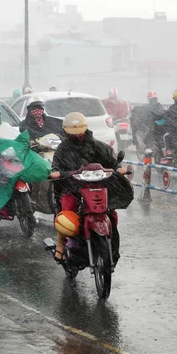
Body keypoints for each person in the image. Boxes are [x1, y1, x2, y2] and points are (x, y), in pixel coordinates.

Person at [50, 112, 128, 263]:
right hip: (72, 188)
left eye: (79, 132)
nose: (77, 136)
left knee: (111, 211)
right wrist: (56, 172)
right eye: (73, 133)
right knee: (66, 209)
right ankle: (61, 243)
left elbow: (111, 161)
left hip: (97, 186)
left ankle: (112, 247)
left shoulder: (97, 146)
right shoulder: (63, 149)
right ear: (66, 132)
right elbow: (56, 166)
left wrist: (118, 168)